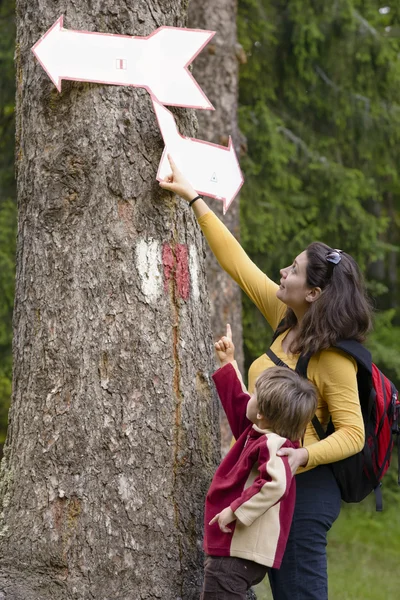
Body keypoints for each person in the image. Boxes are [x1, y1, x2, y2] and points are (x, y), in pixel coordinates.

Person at [159, 156, 372, 600]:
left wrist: (302, 459)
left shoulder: (333, 358)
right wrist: (193, 197)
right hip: (266, 471)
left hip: (306, 486)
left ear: (313, 294)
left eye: (292, 271)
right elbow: (237, 263)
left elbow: (354, 433)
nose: (282, 273)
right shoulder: (285, 315)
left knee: (298, 592)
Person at [203, 324, 317, 599]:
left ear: (263, 414)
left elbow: (275, 485)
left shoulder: (272, 444)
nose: (249, 397)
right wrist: (229, 364)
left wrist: (236, 510)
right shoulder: (263, 433)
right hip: (237, 550)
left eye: (255, 395)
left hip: (239, 547)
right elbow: (239, 405)